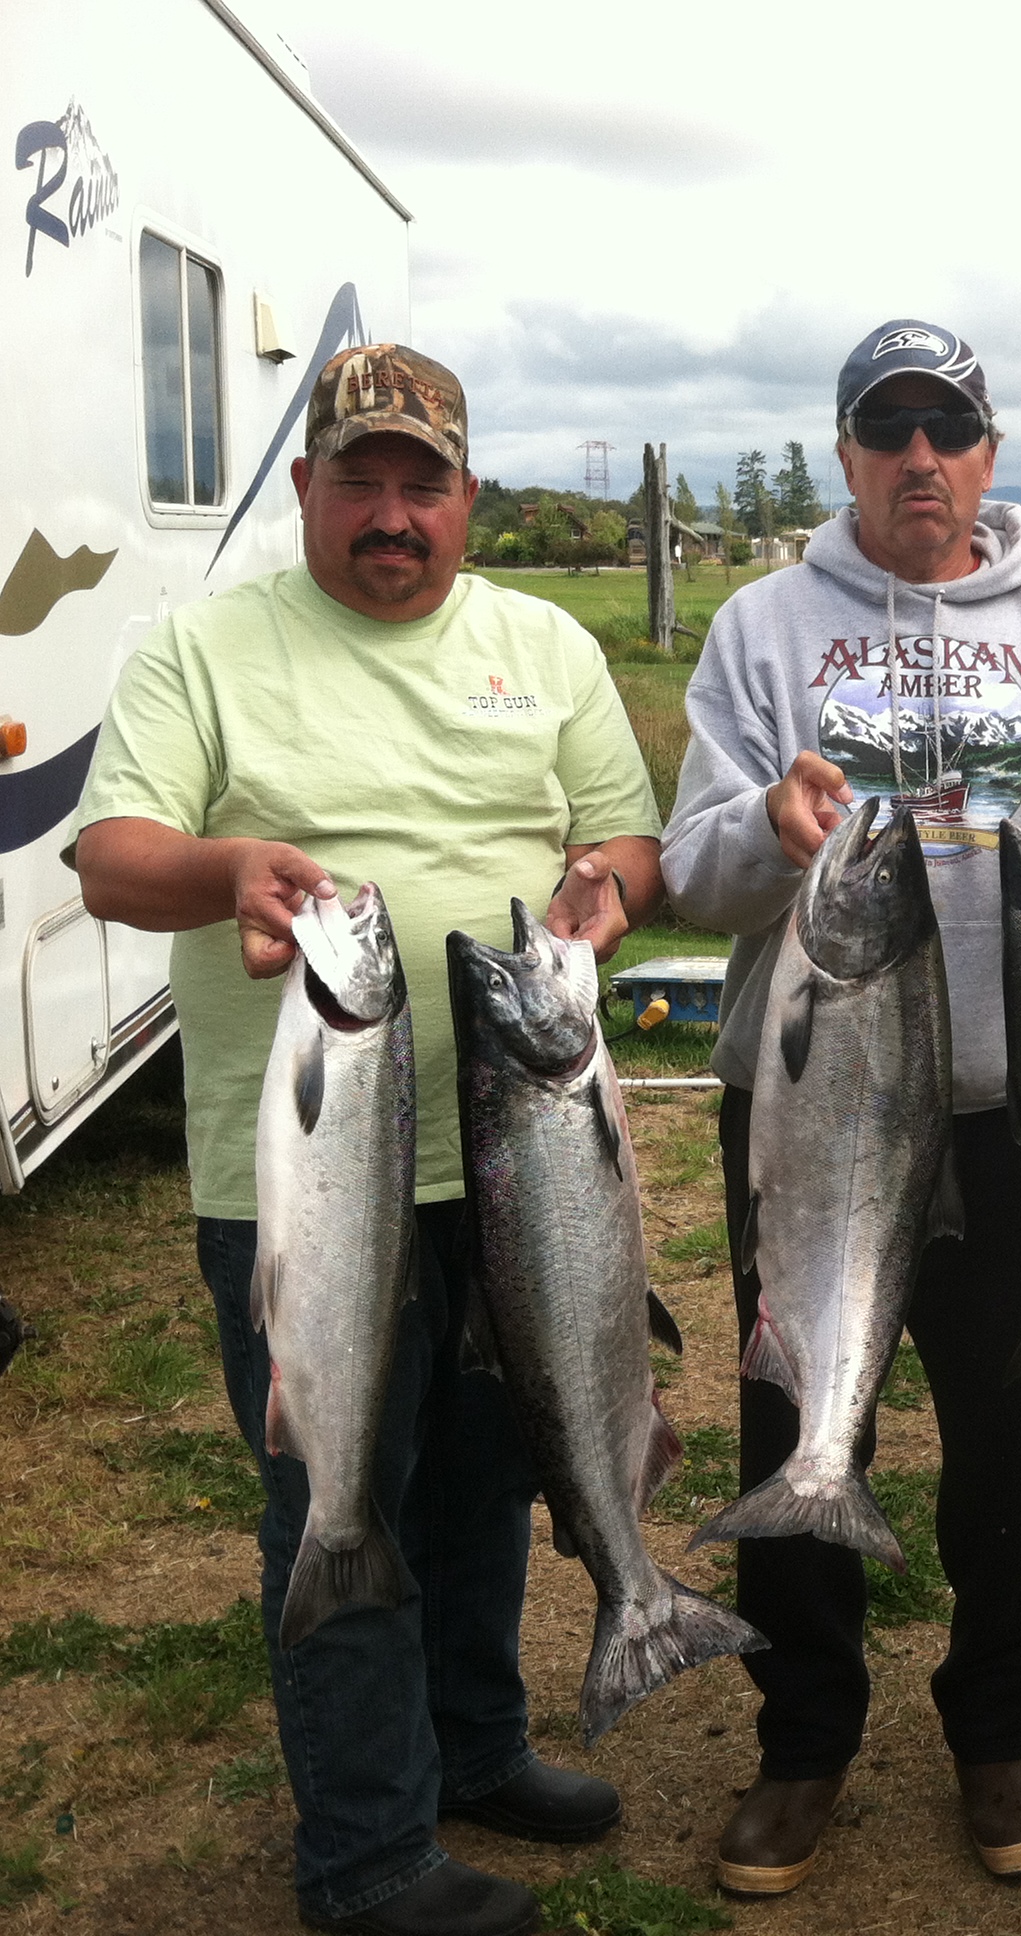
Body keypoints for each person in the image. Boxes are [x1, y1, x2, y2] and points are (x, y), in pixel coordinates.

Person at [72, 344, 666, 1936]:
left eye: (423, 483)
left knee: (489, 1484)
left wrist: (606, 889)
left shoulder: (543, 644)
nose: (392, 514)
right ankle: (366, 1853)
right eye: (362, 480)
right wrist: (234, 871)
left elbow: (622, 833)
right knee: (341, 1499)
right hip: (307, 1195)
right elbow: (112, 859)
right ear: (305, 488)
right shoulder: (205, 648)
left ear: (466, 496)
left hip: (520, 1163)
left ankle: (476, 1752)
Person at [661, 318, 1021, 1895]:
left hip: (1013, 1117)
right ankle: (801, 1743)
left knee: (1016, 1440)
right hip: (814, 1113)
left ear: (991, 455)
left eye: (949, 430)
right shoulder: (762, 625)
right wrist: (768, 818)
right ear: (846, 456)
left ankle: (995, 1726)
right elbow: (693, 868)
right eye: (889, 432)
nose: (921, 460)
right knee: (803, 1411)